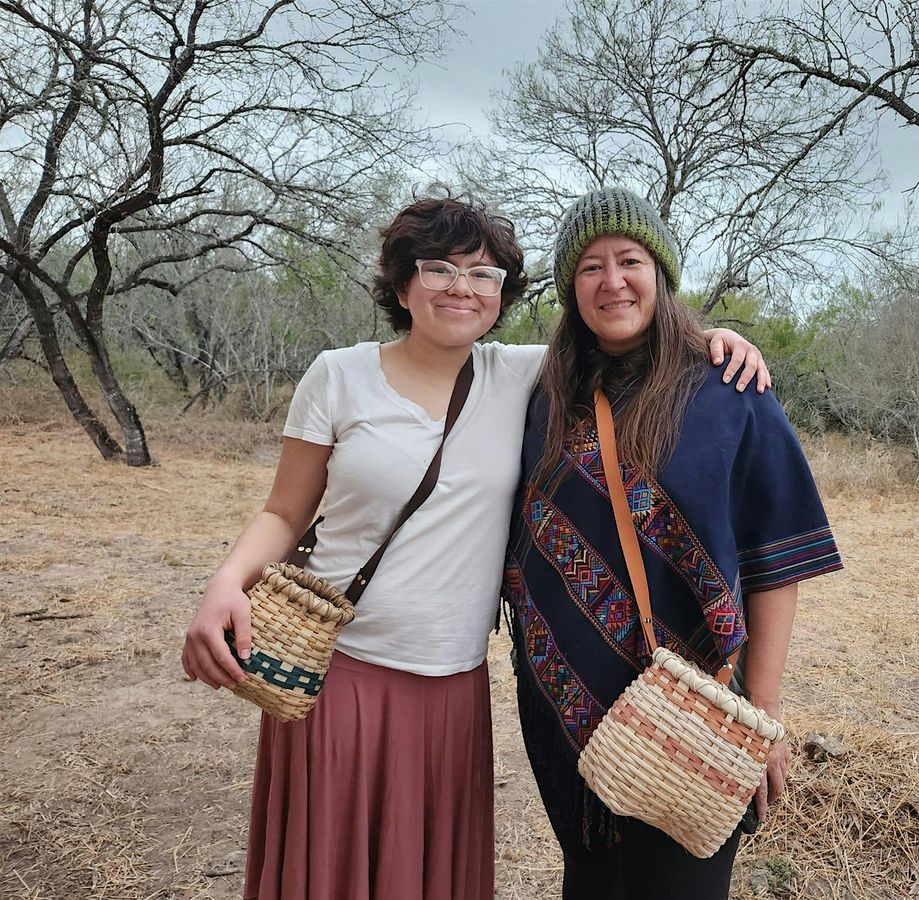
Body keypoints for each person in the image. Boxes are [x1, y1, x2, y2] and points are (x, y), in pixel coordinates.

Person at [179, 188, 772, 900]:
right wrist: (224, 583)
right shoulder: (338, 376)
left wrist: (713, 340)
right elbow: (283, 511)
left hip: (451, 685)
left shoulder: (522, 376)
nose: (461, 288)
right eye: (439, 269)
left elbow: (630, 340)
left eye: (484, 274)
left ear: (502, 295)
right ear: (402, 282)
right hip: (341, 674)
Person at [504, 186, 844, 900]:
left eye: (629, 259)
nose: (612, 280)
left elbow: (774, 563)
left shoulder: (728, 390)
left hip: (695, 719)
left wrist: (764, 714)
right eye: (590, 267)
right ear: (570, 287)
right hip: (564, 707)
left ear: (661, 272)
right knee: (588, 884)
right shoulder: (545, 396)